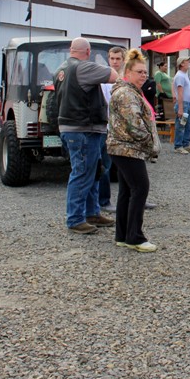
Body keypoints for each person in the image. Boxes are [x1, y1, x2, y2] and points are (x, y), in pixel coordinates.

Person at [55, 37, 118, 234]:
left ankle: (92, 212)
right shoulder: (82, 68)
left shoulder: (60, 70)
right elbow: (114, 75)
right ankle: (75, 218)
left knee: (93, 171)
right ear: (88, 52)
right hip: (83, 128)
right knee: (82, 173)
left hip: (74, 128)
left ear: (70, 49)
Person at [107, 49, 160, 253]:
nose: (143, 75)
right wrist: (150, 143)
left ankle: (123, 235)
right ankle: (135, 237)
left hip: (122, 148)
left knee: (127, 191)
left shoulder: (129, 91)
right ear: (128, 73)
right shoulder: (127, 94)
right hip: (127, 149)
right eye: (139, 72)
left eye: (145, 72)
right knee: (140, 188)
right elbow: (135, 125)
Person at [99, 46, 127, 212]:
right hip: (108, 127)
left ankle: (133, 196)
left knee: (128, 164)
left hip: (123, 128)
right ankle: (104, 200)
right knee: (106, 164)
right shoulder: (104, 79)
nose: (115, 62)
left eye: (118, 58)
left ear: (123, 60)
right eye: (112, 58)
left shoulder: (126, 78)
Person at [172, 56, 190, 154]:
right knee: (181, 125)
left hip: (187, 104)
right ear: (182, 64)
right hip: (183, 104)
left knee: (188, 125)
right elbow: (180, 93)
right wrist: (180, 108)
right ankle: (178, 145)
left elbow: (173, 86)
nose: (189, 62)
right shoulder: (180, 76)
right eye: (187, 61)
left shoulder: (183, 74)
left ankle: (186, 144)